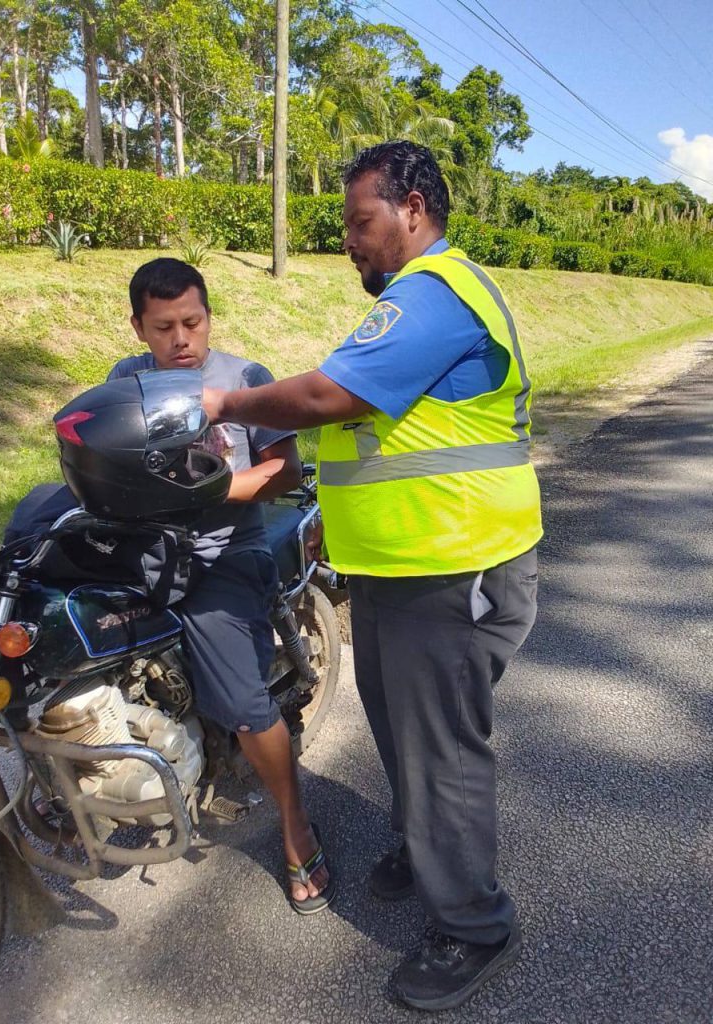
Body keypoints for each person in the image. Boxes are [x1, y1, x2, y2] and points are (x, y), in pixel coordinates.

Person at [202, 142, 543, 1010]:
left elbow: (329, 399)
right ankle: (428, 851)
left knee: (441, 749)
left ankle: (475, 924)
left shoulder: (437, 292)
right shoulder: (407, 300)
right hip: (401, 565)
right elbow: (381, 438)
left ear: (413, 209)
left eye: (361, 221)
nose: (350, 239)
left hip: (454, 561)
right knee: (401, 730)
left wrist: (224, 403)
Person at [108, 257, 335, 914]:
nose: (181, 339)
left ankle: (294, 824)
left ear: (208, 317)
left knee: (240, 699)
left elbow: (283, 470)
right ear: (139, 327)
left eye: (192, 322)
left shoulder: (244, 379)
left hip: (224, 551)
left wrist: (209, 491)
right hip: (145, 550)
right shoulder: (125, 382)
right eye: (163, 327)